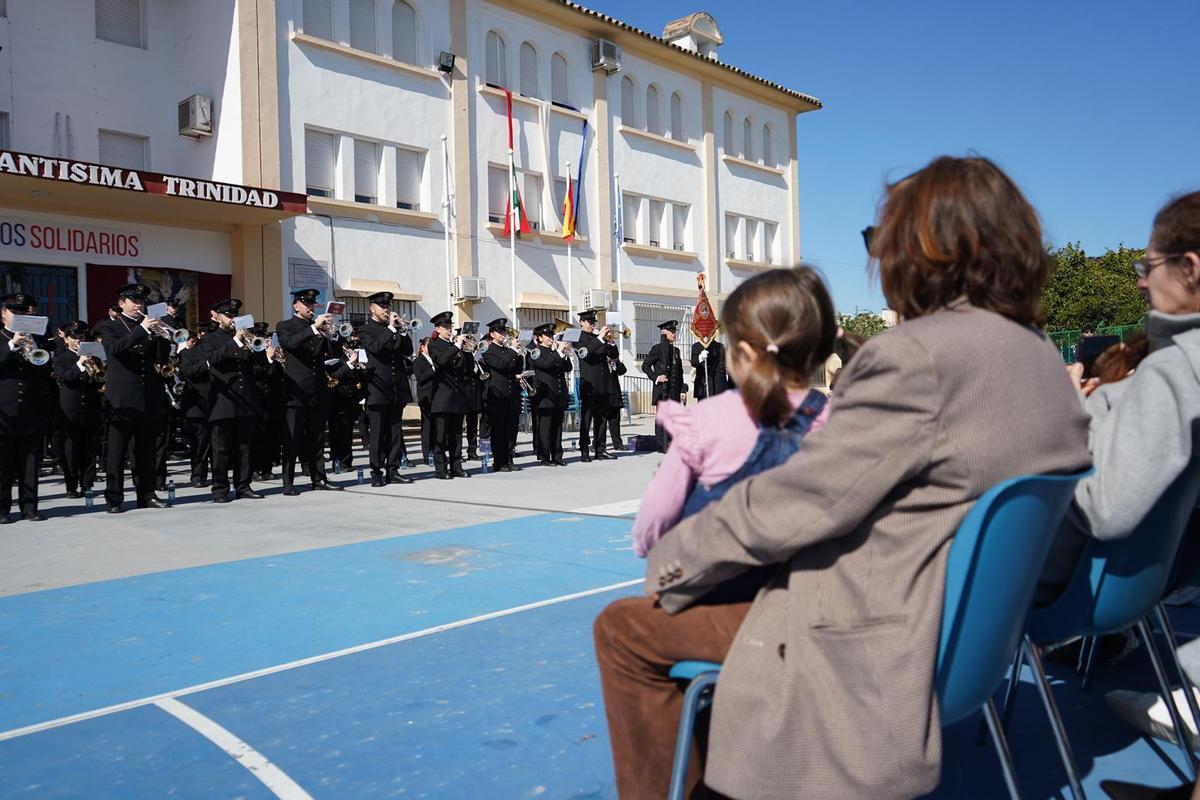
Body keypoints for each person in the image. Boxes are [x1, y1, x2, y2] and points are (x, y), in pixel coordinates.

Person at [593, 155, 1093, 800]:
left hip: (875, 634)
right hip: (976, 635)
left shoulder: (918, 357)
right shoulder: (1040, 359)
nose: (877, 259)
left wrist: (673, 560)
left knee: (625, 628)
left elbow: (796, 506)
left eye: (880, 241)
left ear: (925, 249)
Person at [1042, 191, 1200, 800]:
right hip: (1150, 579)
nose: (1139, 284)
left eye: (1147, 267)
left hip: (1081, 586)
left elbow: (1107, 503)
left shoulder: (1173, 371)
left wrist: (1067, 434)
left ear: (1190, 269)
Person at [632, 268, 835, 558]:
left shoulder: (706, 422)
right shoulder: (839, 420)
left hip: (725, 578)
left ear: (745, 353)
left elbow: (650, 528)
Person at [93, 283, 171, 513]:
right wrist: (144, 330)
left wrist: (163, 338)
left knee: (145, 453)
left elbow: (160, 359)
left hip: (147, 398)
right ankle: (114, 498)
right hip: (121, 400)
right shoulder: (109, 326)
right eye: (134, 301)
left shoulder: (147, 327)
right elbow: (114, 349)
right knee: (116, 454)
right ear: (121, 303)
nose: (139, 305)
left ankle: (147, 494)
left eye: (141, 302)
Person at [275, 288, 342, 495]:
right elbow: (289, 344)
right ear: (296, 305)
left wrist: (332, 335)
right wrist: (313, 328)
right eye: (306, 304)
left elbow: (334, 354)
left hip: (318, 389)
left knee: (317, 437)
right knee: (292, 438)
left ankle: (318, 478)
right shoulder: (285, 325)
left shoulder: (319, 328)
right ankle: (288, 482)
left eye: (312, 304)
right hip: (296, 390)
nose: (310, 307)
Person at [202, 299, 266, 502]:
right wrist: (237, 341)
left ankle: (243, 486)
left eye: (235, 316)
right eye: (228, 315)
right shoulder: (211, 338)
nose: (232, 319)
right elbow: (214, 360)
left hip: (246, 399)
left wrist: (259, 348)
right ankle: (220, 489)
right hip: (223, 400)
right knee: (220, 449)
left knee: (244, 447)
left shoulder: (247, 337)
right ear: (218, 317)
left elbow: (260, 366)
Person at [0, 292, 52, 523]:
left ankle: (29, 507)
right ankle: (2, 509)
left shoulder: (35, 339)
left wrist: (35, 351)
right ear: (3, 314)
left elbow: (44, 373)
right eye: (14, 312)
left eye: (23, 312)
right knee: (3, 465)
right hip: (3, 412)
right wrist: (13, 344)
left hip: (31, 410)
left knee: (30, 464)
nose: (19, 316)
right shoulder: (2, 338)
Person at [357, 292, 415, 487]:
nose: (385, 309)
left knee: (395, 431)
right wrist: (391, 328)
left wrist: (403, 331)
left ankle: (393, 469)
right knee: (377, 433)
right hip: (377, 389)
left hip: (396, 388)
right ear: (372, 308)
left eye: (387, 306)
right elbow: (375, 348)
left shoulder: (394, 330)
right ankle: (376, 471)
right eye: (381, 306)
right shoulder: (365, 330)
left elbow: (407, 350)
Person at [53, 320, 103, 500]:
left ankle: (87, 484)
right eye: (74, 337)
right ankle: (71, 486)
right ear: (66, 339)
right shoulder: (60, 358)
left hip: (90, 409)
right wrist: (80, 364)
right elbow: (65, 378)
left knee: (89, 450)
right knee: (70, 452)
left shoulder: (93, 357)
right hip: (70, 411)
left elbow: (100, 380)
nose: (78, 341)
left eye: (81, 337)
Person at [427, 311, 470, 479]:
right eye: (445, 326)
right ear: (438, 328)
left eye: (450, 326)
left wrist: (466, 350)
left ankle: (456, 466)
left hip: (458, 396)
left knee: (456, 435)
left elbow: (466, 368)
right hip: (442, 397)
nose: (449, 329)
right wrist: (457, 347)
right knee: (441, 435)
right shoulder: (434, 344)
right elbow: (442, 361)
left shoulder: (455, 346)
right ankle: (440, 468)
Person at [480, 318, 523, 472]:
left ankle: (509, 458)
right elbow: (499, 365)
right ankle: (499, 461)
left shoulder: (508, 350)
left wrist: (519, 354)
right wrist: (512, 351)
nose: (503, 334)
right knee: (498, 431)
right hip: (498, 396)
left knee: (511, 430)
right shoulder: (488, 351)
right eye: (500, 331)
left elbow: (517, 369)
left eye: (504, 331)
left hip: (512, 395)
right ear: (492, 334)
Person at [178, 322, 216, 488]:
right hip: (197, 404)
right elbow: (187, 372)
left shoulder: (218, 352)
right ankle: (197, 475)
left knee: (216, 444)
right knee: (199, 444)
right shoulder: (189, 353)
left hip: (216, 402)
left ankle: (218, 475)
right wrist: (207, 364)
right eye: (205, 334)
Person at [529, 322, 571, 466]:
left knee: (557, 427)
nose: (551, 338)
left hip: (558, 394)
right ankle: (544, 456)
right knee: (545, 428)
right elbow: (545, 365)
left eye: (551, 335)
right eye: (547, 335)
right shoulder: (536, 352)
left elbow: (567, 368)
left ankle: (557, 455)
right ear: (540, 338)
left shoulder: (555, 352)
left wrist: (565, 354)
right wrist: (558, 352)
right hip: (545, 395)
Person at [642, 320, 685, 453]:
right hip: (662, 389)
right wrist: (656, 377)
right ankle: (661, 444)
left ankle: (672, 442)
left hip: (674, 390)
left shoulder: (676, 350)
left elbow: (680, 372)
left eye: (674, 332)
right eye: (671, 332)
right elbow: (645, 366)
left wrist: (682, 390)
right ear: (664, 333)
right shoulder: (657, 349)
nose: (674, 334)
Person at [412, 336, 435, 466]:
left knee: (437, 427)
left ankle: (437, 452)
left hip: (436, 396)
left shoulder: (435, 359)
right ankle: (427, 454)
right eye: (428, 347)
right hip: (426, 397)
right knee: (427, 427)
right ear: (422, 347)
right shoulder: (418, 361)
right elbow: (420, 378)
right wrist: (432, 369)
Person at [606, 351, 628, 451]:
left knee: (615, 420)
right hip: (603, 394)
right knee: (600, 421)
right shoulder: (601, 362)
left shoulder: (615, 363)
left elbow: (623, 371)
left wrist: (616, 361)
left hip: (614, 394)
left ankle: (617, 443)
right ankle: (596, 444)